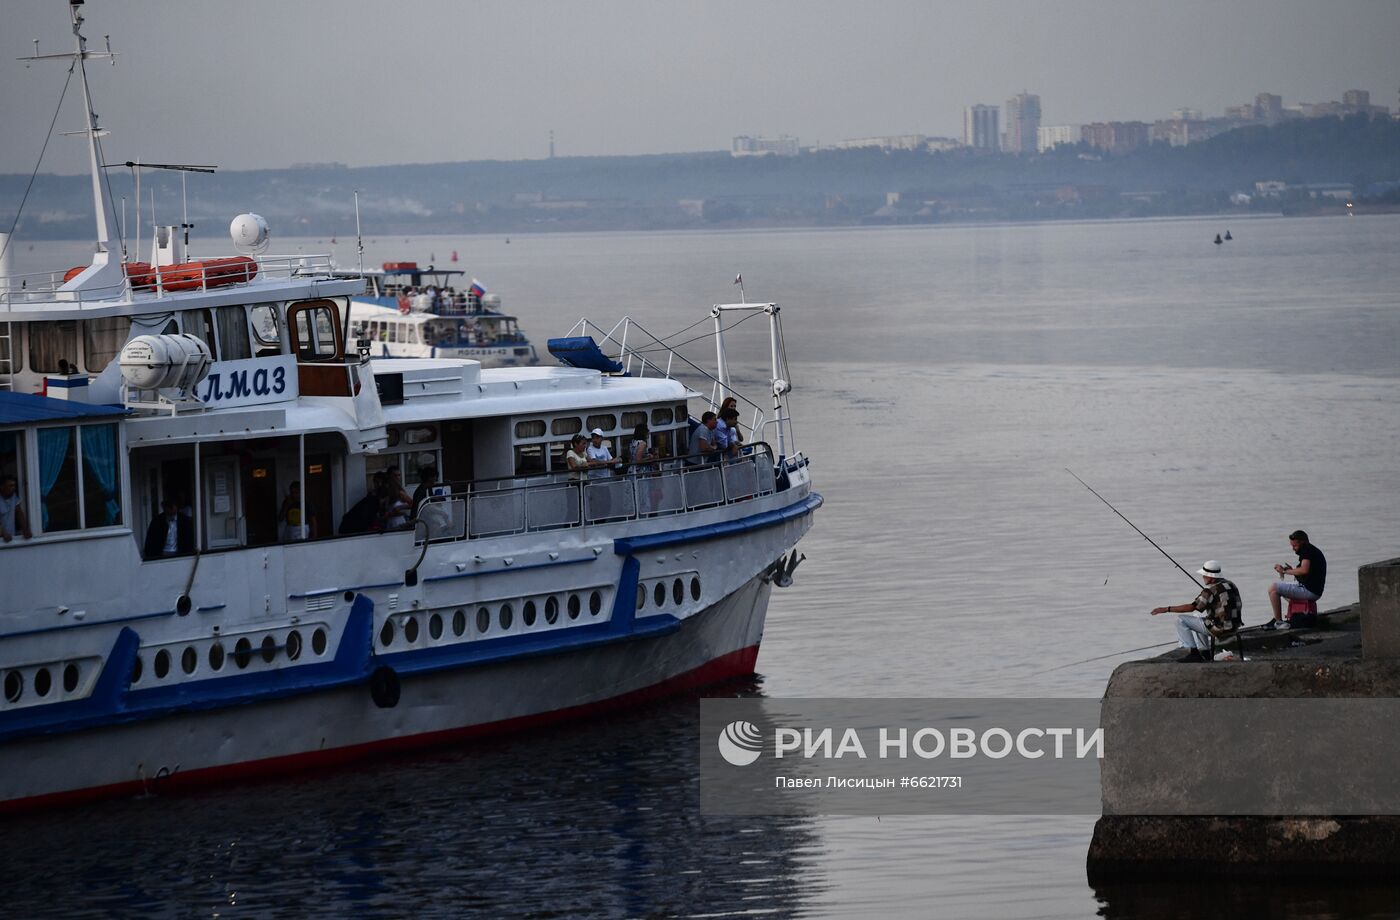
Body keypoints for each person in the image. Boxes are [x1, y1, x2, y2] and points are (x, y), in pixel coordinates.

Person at [1150, 560, 1243, 663]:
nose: (1203, 577)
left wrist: (1166, 609)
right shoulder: (1231, 585)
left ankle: (1194, 654)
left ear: (1211, 577)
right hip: (1234, 627)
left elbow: (1191, 607)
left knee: (1180, 620)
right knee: (1197, 618)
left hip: (1220, 629)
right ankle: (1205, 653)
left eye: (1204, 575)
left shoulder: (1210, 590)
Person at [1264, 530, 1327, 629]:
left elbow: (1304, 570)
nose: (1293, 549)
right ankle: (1298, 615)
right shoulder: (1312, 550)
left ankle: (1278, 621)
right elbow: (1306, 573)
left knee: (1273, 588)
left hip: (1310, 591)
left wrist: (1284, 572)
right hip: (1314, 590)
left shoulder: (1306, 550)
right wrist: (1291, 570)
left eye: (1295, 546)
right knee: (1281, 589)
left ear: (1302, 542)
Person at [1, 474, 32, 543]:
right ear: (2, 487)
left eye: (14, 485)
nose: (13, 488)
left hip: (11, 538)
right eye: (10, 486)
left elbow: (19, 513)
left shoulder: (13, 497)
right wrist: (3, 533)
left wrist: (25, 529)